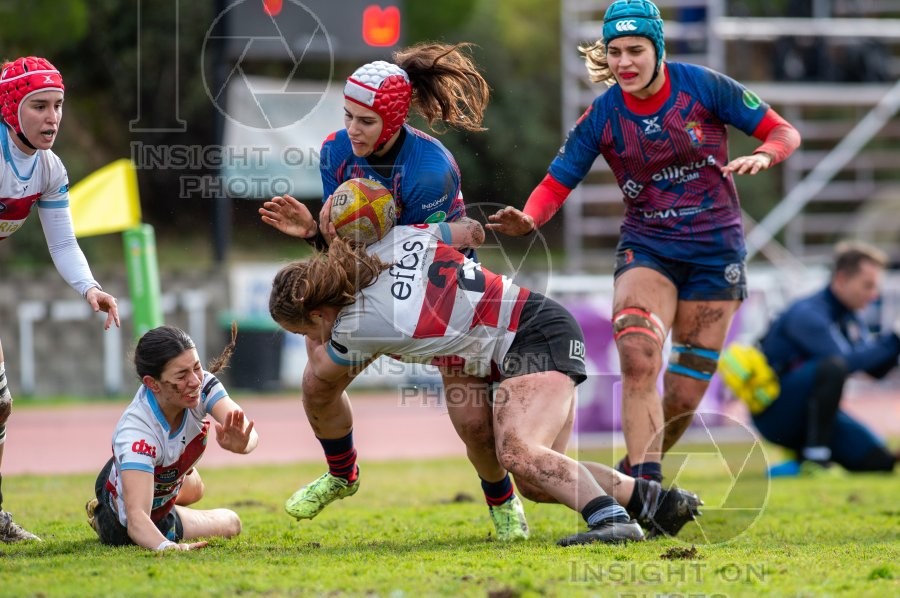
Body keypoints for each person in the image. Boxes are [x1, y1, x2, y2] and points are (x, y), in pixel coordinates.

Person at [486, 0, 801, 484]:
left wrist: (766, 153)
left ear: (658, 48)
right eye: (614, 52)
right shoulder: (602, 115)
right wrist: (529, 218)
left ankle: (632, 474)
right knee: (636, 357)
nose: (624, 63)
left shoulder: (704, 85)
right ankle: (648, 492)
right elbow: (556, 182)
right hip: (648, 249)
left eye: (635, 50)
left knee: (682, 396)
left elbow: (782, 130)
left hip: (716, 256)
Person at [268, 218, 703, 546]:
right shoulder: (392, 240)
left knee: (517, 451)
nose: (311, 339)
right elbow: (471, 233)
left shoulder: (356, 327)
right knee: (536, 478)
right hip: (539, 324)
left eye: (305, 331)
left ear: (320, 314)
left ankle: (611, 522)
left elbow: (321, 377)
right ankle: (655, 502)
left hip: (531, 337)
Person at [259, 44, 532, 540]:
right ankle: (343, 475)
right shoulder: (335, 151)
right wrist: (313, 234)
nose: (353, 130)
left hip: (442, 285)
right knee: (316, 383)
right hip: (374, 273)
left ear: (393, 119)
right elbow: (348, 246)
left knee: (472, 423)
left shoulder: (431, 168)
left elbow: (413, 254)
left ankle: (502, 501)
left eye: (365, 121)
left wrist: (327, 240)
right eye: (348, 116)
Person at [0, 56, 120, 543]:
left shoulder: (49, 169)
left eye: (58, 106)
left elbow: (64, 243)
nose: (52, 118)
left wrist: (89, 288)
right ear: (11, 108)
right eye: (39, 106)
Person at [85, 325, 259, 551]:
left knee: (197, 488)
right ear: (152, 383)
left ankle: (159, 485)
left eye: (196, 367)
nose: (196, 381)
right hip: (126, 521)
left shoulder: (202, 385)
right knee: (231, 523)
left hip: (162, 478)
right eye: (182, 375)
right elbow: (137, 520)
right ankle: (101, 513)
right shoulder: (137, 432)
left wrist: (244, 444)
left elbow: (248, 430)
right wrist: (168, 547)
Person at [751, 241, 900, 475]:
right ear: (841, 279)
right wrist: (894, 339)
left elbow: (874, 369)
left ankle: (799, 464)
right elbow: (843, 363)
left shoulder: (849, 316)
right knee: (832, 366)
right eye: (867, 286)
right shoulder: (807, 313)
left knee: (879, 461)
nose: (874, 295)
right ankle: (815, 458)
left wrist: (896, 344)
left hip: (812, 412)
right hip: (775, 413)